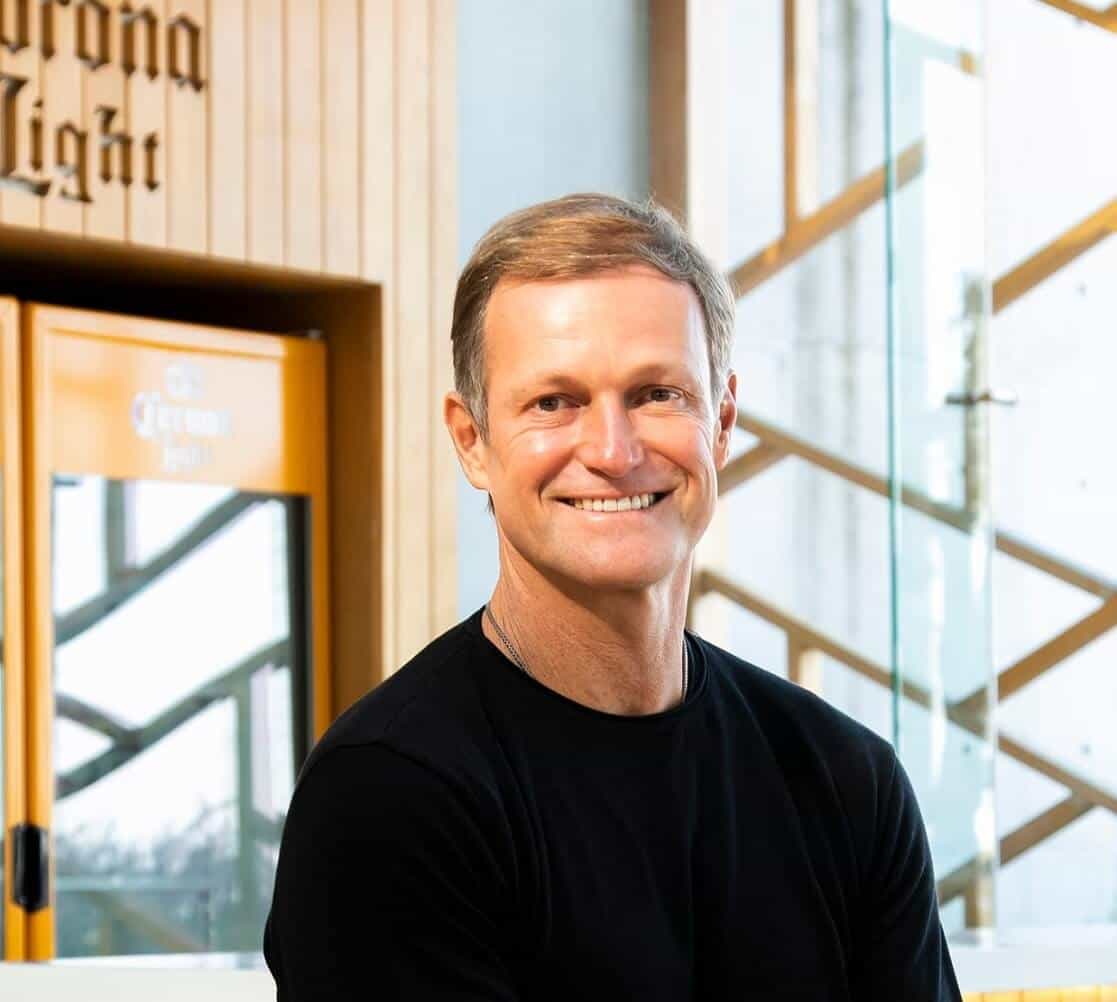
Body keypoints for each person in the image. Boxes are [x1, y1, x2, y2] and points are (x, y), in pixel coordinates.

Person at [263, 193, 963, 1001]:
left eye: (655, 393)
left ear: (721, 421)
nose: (611, 450)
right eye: (552, 402)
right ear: (472, 440)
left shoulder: (845, 780)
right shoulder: (391, 795)